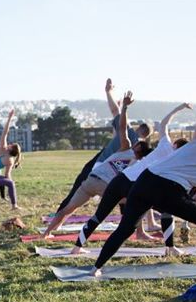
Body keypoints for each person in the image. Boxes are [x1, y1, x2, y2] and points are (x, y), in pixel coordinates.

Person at [91, 59, 196, 276]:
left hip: (145, 181)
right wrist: (183, 214)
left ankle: (96, 268)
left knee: (126, 228)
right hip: (168, 191)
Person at [71, 102, 192, 255]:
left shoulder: (164, 146)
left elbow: (164, 123)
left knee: (100, 215)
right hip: (136, 187)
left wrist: (178, 108)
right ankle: (170, 247)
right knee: (166, 211)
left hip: (119, 181)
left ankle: (77, 247)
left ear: (175, 144)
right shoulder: (176, 158)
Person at [42, 91, 152, 238]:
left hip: (91, 180)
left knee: (68, 209)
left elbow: (122, 128)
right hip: (105, 186)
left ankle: (47, 233)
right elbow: (123, 128)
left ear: (138, 148)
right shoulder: (136, 161)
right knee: (135, 201)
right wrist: (124, 107)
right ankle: (139, 232)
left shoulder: (125, 147)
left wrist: (125, 107)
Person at [55, 78, 151, 213]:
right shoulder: (140, 148)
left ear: (138, 128)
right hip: (114, 172)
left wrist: (109, 92)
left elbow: (115, 111)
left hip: (101, 165)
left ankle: (58, 217)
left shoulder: (129, 132)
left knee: (77, 191)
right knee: (124, 196)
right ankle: (128, 224)